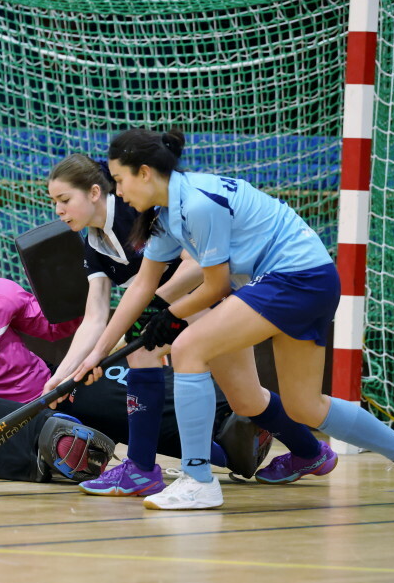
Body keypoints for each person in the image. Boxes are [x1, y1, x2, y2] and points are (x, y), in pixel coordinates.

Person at [67, 127, 394, 509]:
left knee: (188, 347)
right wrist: (95, 354)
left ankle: (198, 480)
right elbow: (141, 288)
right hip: (311, 279)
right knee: (306, 407)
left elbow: (216, 286)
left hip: (294, 278)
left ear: (145, 173)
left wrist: (169, 316)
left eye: (119, 179)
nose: (118, 190)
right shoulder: (168, 215)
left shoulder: (198, 202)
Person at [0, 231, 265, 484]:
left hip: (52, 389)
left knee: (118, 385)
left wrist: (79, 294)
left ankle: (231, 433)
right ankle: (60, 448)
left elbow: (54, 328)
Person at [45, 153, 331, 496]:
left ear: (94, 193)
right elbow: (94, 317)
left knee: (242, 398)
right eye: (54, 203)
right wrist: (63, 374)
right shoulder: (94, 244)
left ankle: (140, 469)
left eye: (65, 200)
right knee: (241, 399)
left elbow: (196, 265)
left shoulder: (136, 209)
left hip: (216, 303)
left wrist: (156, 306)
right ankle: (312, 453)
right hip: (176, 315)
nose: (59, 211)